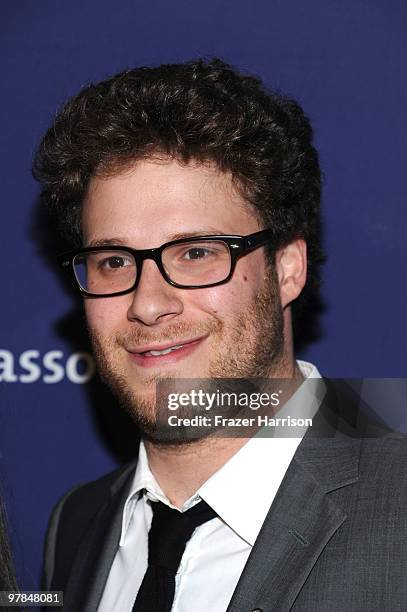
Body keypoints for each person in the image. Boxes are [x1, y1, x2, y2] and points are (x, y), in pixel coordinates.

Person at [33, 59, 407, 611]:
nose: (148, 304)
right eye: (113, 260)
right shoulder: (77, 522)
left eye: (197, 252)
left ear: (287, 268)